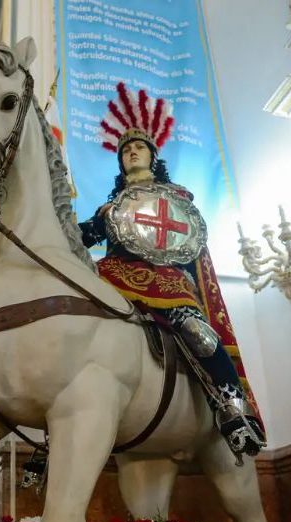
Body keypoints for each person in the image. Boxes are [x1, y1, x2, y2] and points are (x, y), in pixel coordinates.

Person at [78, 83, 265, 459]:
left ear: (152, 155)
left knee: (197, 331)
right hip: (116, 273)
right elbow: (81, 238)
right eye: (126, 150)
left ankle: (233, 409)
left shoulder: (175, 198)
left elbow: (187, 241)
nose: (131, 152)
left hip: (167, 278)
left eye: (138, 148)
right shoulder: (109, 208)